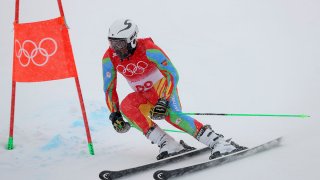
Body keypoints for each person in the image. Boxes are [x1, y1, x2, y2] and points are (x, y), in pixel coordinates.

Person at [102, 19, 246, 160]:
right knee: (127, 106)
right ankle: (168, 144)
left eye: (120, 44)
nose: (115, 48)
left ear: (132, 40)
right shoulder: (109, 57)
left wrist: (163, 100)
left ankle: (218, 142)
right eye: (112, 42)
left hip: (162, 89)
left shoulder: (148, 49)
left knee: (172, 116)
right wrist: (115, 114)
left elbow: (172, 74)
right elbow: (109, 89)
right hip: (143, 95)